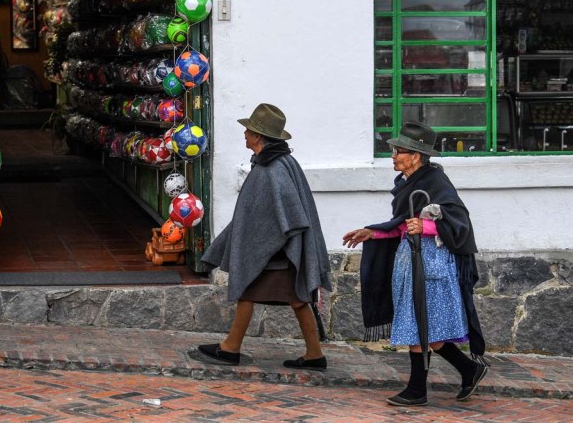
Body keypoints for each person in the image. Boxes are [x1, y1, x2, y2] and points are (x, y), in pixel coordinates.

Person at [343, 122, 488, 406]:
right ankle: (467, 370)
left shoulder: (435, 182)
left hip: (431, 264)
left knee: (422, 325)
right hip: (411, 261)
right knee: (420, 326)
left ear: (416, 156)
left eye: (400, 151)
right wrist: (372, 232)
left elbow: (459, 224)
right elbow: (402, 225)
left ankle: (418, 389)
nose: (394, 156)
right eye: (396, 150)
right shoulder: (407, 184)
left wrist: (426, 227)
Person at [196, 103, 332, 370]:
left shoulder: (272, 169)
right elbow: (256, 215)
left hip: (278, 252)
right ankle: (313, 354)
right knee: (295, 299)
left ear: (258, 136)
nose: (244, 134)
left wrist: (261, 246)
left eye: (248, 130)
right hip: (280, 250)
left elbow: (286, 217)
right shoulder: (277, 163)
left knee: (255, 293)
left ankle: (231, 348)